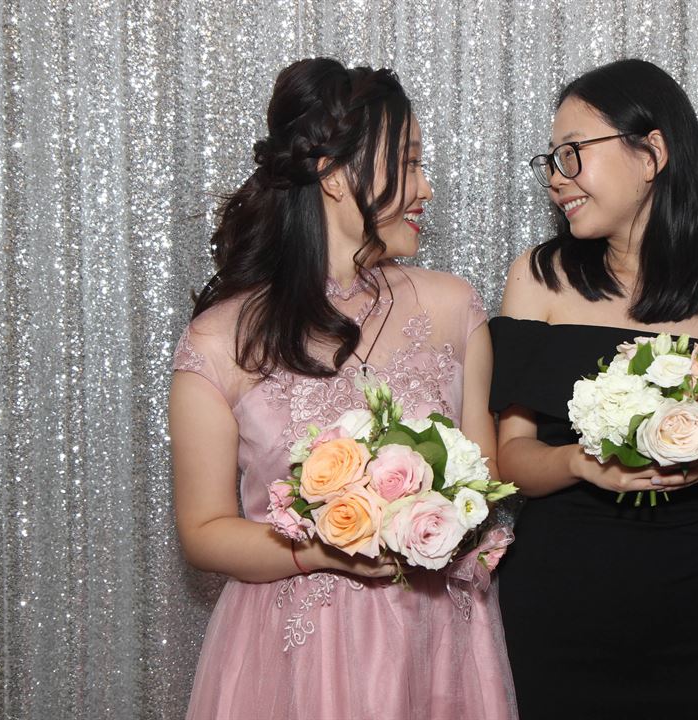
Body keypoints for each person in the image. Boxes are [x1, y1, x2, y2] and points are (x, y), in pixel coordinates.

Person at [169, 58, 516, 720]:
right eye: (408, 162)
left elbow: (486, 481)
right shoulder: (218, 342)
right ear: (332, 173)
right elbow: (204, 531)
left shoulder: (454, 307)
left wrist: (430, 515)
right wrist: (324, 548)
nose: (426, 187)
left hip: (434, 639)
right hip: (293, 656)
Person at [489, 59, 698, 719]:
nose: (556, 177)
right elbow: (508, 460)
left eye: (573, 153)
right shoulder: (539, 277)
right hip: (555, 597)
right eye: (551, 159)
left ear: (652, 152)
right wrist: (582, 463)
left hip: (684, 603)